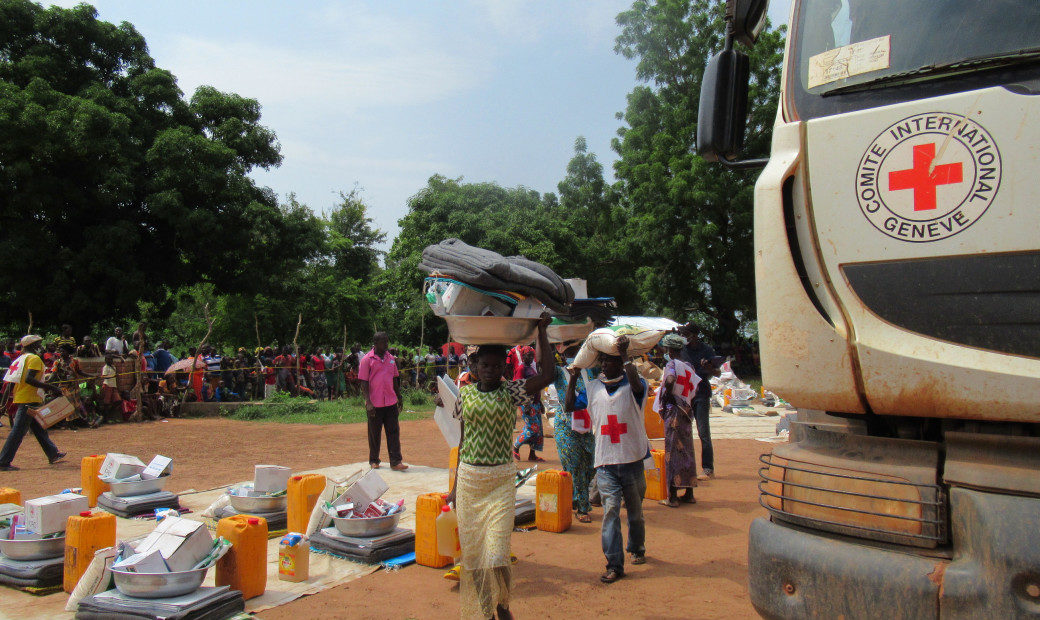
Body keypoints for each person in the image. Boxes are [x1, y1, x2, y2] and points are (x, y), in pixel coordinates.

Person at [444, 313, 554, 620]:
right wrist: (453, 489)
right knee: (475, 557)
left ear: (505, 367)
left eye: (496, 365)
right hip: (469, 482)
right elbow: (462, 443)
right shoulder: (463, 396)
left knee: (496, 553)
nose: (490, 370)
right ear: (475, 368)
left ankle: (503, 604)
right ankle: (484, 609)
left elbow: (548, 376)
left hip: (499, 482)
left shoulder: (512, 392)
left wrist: (541, 333)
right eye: (485, 365)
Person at [567, 335, 650, 584]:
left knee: (634, 512)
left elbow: (635, 384)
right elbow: (570, 405)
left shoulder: (638, 385)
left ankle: (637, 548)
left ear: (620, 362)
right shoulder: (592, 388)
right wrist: (572, 377)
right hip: (605, 463)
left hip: (632, 459)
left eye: (609, 360)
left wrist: (624, 355)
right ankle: (614, 563)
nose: (604, 365)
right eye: (601, 360)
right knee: (611, 511)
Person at [0, 335, 67, 470]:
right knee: (18, 431)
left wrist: (3, 402)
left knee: (38, 427)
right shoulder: (34, 359)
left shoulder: (19, 359)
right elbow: (29, 379)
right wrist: (52, 388)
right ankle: (3, 461)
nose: (41, 347)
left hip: (23, 398)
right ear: (33, 346)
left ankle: (52, 453)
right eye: (39, 344)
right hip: (30, 400)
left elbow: (10, 383)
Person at [554, 344, 595, 523]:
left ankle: (572, 498)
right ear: (562, 356)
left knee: (590, 466)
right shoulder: (558, 373)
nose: (573, 357)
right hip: (565, 425)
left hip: (587, 426)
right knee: (574, 465)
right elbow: (542, 363)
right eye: (569, 354)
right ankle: (583, 507)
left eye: (576, 353)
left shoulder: (591, 372)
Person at [656, 333, 698, 507]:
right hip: (686, 410)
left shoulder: (671, 364)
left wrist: (666, 397)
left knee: (672, 450)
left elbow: (670, 379)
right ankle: (689, 492)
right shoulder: (689, 366)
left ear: (669, 349)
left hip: (674, 411)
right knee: (687, 449)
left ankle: (672, 496)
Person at [359, 332, 408, 471]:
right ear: (375, 343)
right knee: (374, 433)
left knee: (393, 431)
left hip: (391, 401)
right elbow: (363, 382)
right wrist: (368, 402)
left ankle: (396, 461)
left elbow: (394, 379)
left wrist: (399, 397)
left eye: (387, 341)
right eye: (383, 342)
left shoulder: (391, 359)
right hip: (375, 403)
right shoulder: (367, 360)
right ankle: (374, 460)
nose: (386, 344)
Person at [679, 324, 721, 479]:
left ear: (696, 335)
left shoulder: (707, 351)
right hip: (685, 395)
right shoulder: (682, 350)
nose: (685, 337)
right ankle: (686, 467)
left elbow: (717, 372)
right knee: (683, 432)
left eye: (688, 334)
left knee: (703, 432)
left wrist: (709, 367)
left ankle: (708, 468)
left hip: (701, 394)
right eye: (683, 334)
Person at [512, 347, 546, 462]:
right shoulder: (521, 369)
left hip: (535, 402)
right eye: (528, 355)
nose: (530, 358)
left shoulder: (531, 368)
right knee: (533, 428)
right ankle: (516, 446)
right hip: (527, 403)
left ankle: (532, 454)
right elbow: (519, 387)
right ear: (523, 356)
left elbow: (536, 386)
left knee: (539, 430)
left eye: (532, 356)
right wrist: (525, 403)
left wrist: (540, 402)